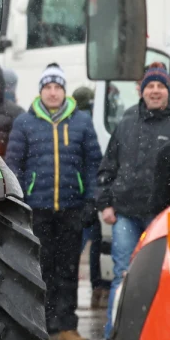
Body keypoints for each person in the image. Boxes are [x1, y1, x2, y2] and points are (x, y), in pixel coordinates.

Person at [5, 63, 101, 340]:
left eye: (57, 87)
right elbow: (14, 165)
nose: (53, 92)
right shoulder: (25, 122)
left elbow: (93, 164)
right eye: (48, 87)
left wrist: (90, 200)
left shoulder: (82, 122)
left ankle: (67, 327)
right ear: (41, 91)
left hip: (72, 208)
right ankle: (41, 327)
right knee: (39, 269)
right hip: (38, 209)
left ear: (64, 91)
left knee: (68, 269)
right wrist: (20, 202)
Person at [96, 62, 170, 340]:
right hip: (126, 214)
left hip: (165, 219)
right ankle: (114, 338)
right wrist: (106, 204)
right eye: (150, 86)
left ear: (168, 90)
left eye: (160, 86)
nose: (155, 91)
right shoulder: (126, 122)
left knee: (165, 279)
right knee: (122, 276)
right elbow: (107, 168)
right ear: (142, 90)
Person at [72, 86, 109, 309]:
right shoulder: (88, 122)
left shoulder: (77, 121)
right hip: (89, 195)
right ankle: (99, 287)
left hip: (70, 196)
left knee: (71, 251)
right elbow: (95, 161)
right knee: (96, 243)